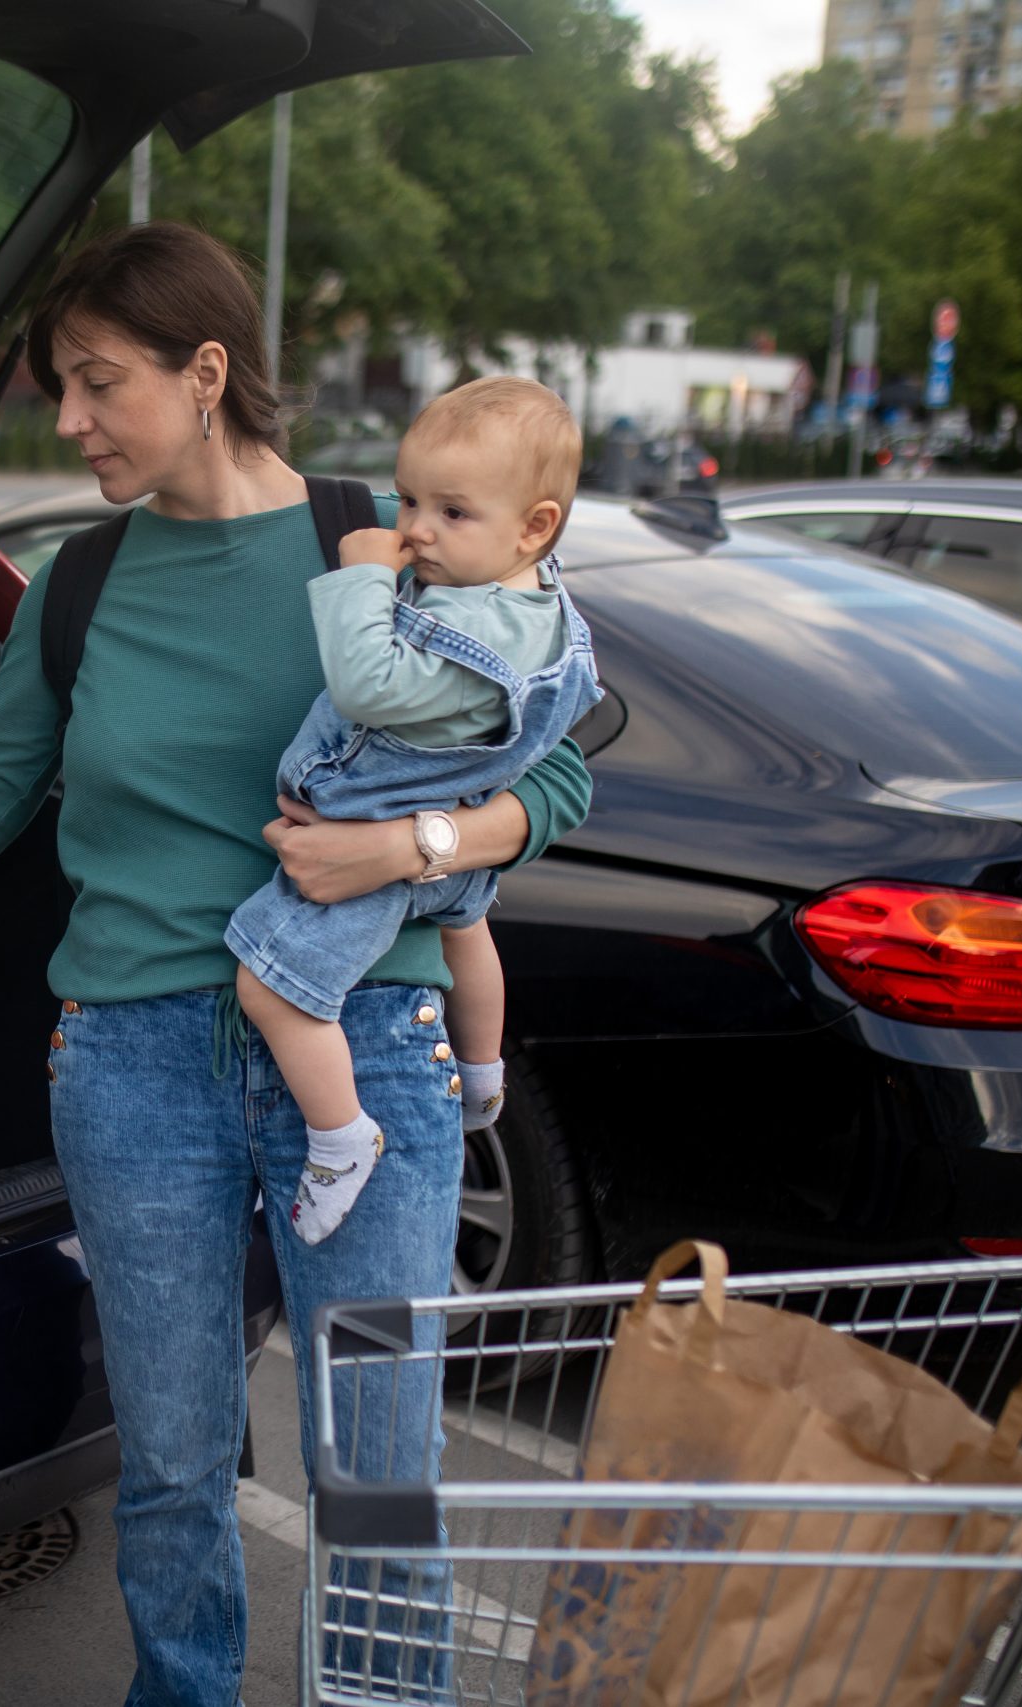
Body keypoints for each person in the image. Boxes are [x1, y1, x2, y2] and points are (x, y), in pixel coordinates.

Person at [0, 222, 590, 1706]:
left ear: (207, 373)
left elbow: (562, 774)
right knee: (175, 1463)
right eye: (58, 388)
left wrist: (402, 854)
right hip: (133, 1069)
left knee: (379, 1470)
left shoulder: (383, 535)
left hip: (367, 1047)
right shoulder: (79, 585)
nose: (66, 421)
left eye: (95, 382)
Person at [230, 377, 603, 1246]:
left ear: (536, 526)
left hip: (374, 847)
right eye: (410, 499)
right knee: (469, 936)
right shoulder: (541, 610)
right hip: (455, 849)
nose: (416, 529)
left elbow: (366, 682)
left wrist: (362, 576)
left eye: (453, 512)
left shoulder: (468, 634)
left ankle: (339, 1136)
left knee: (271, 985)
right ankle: (481, 1078)